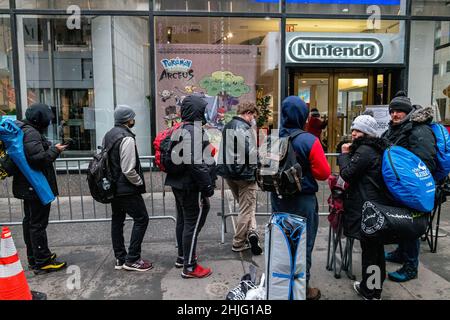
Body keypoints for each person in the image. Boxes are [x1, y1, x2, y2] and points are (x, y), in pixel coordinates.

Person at [271, 96, 331, 300]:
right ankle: (301, 289)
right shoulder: (309, 140)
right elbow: (323, 173)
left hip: (278, 198)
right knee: (303, 244)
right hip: (303, 200)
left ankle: (280, 286)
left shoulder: (273, 139)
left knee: (282, 242)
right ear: (303, 117)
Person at [381, 91, 436, 283]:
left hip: (414, 189)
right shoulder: (395, 128)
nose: (395, 114)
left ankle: (411, 266)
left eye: (399, 111)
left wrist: (412, 183)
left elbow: (427, 162)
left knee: (412, 227)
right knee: (403, 223)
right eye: (392, 111)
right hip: (400, 188)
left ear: (407, 112)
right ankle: (401, 252)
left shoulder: (418, 130)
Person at [339, 114, 391, 300]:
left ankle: (369, 291)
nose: (353, 133)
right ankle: (375, 289)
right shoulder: (376, 148)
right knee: (376, 250)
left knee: (370, 251)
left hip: (367, 206)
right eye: (353, 129)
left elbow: (347, 174)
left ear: (368, 132)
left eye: (358, 130)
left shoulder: (365, 151)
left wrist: (344, 155)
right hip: (377, 205)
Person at [165, 95, 216, 279]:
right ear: (197, 111)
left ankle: (182, 257)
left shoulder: (180, 128)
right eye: (202, 109)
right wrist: (207, 186)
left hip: (178, 182)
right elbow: (196, 163)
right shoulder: (193, 130)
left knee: (183, 220)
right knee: (192, 224)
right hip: (190, 185)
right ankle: (190, 266)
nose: (205, 112)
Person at [13, 103, 68, 274]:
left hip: (28, 185)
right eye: (48, 119)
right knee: (37, 224)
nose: (49, 123)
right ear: (40, 119)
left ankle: (36, 257)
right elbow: (39, 160)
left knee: (30, 222)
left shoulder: (25, 130)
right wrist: (55, 150)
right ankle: (42, 261)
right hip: (34, 187)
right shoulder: (31, 133)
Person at [104, 105, 152, 272]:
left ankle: (120, 257)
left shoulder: (109, 134)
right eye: (133, 117)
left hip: (113, 187)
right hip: (126, 188)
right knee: (142, 219)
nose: (134, 120)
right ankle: (132, 259)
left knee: (117, 219)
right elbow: (128, 168)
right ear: (128, 119)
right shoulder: (127, 138)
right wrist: (138, 181)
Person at [217, 102, 262, 255]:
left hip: (230, 174)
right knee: (246, 208)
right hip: (244, 174)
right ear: (248, 113)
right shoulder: (242, 127)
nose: (253, 120)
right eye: (253, 116)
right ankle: (238, 242)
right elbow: (250, 152)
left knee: (247, 207)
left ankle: (252, 232)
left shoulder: (228, 125)